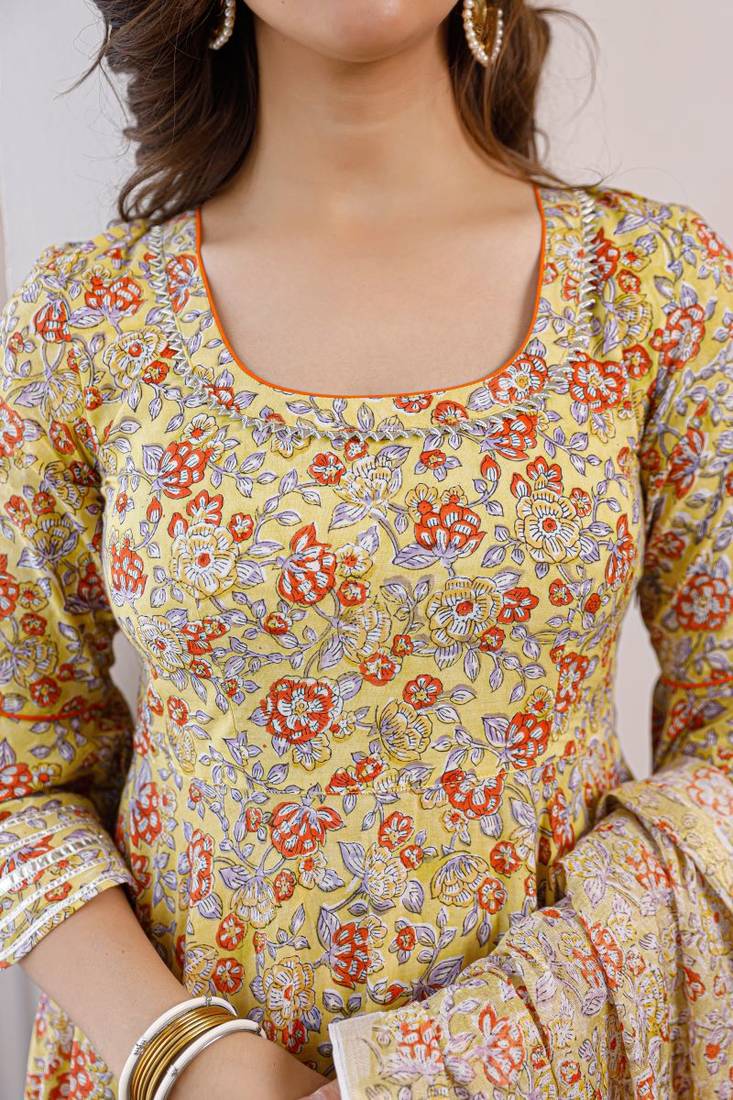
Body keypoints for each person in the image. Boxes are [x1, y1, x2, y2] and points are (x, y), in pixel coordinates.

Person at [0, 1, 731, 1097]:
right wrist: (188, 1057)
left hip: (559, 1066)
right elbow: (19, 766)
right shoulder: (86, 319)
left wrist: (474, 1051)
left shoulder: (650, 286)